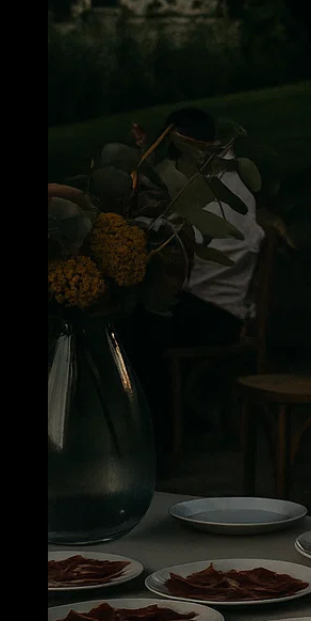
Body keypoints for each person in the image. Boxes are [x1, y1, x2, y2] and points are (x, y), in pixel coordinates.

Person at [121, 107, 266, 460]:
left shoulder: (216, 186)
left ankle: (158, 443)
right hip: (209, 301)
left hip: (219, 310)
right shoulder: (212, 176)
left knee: (142, 325)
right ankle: (163, 426)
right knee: (139, 319)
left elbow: (184, 250)